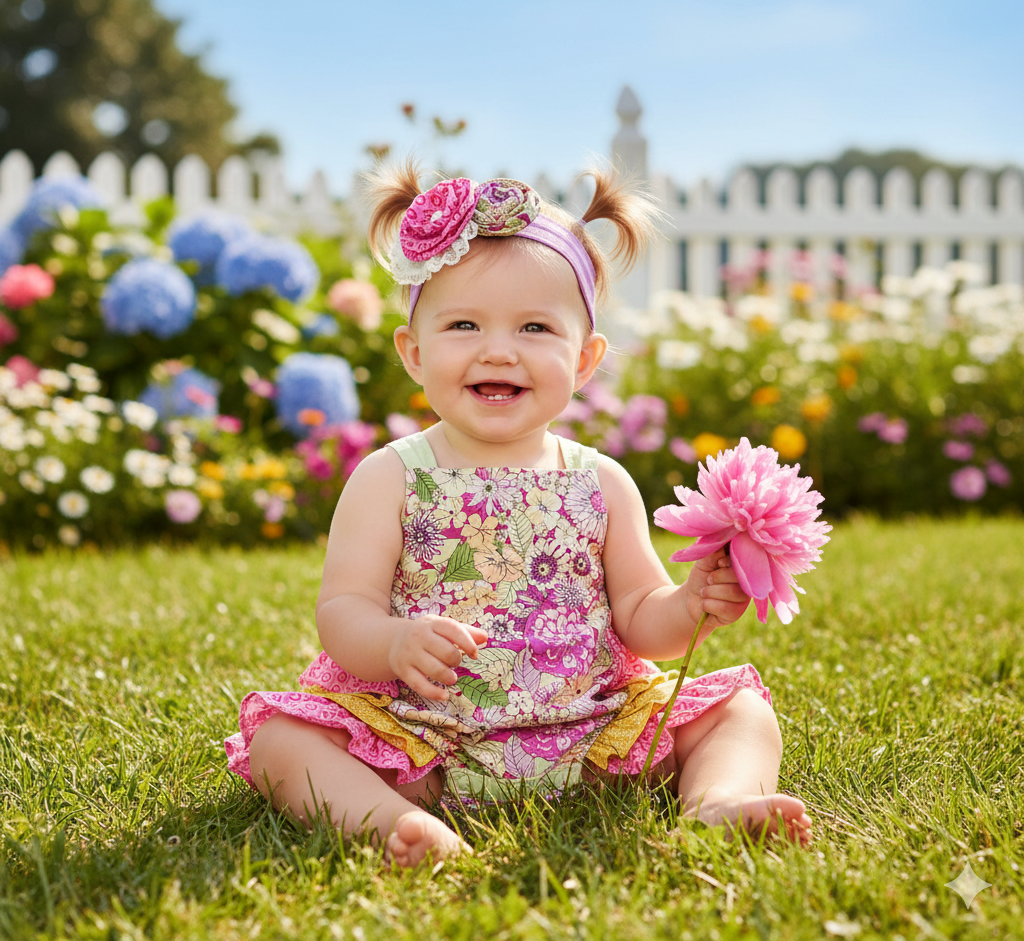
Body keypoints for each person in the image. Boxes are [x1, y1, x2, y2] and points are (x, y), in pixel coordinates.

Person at [225, 167, 812, 867]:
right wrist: (392, 642)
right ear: (413, 353)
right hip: (424, 737)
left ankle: (717, 801)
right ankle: (389, 823)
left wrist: (689, 604)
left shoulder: (602, 481)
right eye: (463, 324)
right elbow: (343, 609)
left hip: (590, 729)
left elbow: (640, 616)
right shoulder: (390, 476)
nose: (498, 349)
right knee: (281, 740)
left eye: (535, 327)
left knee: (739, 708)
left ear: (585, 359)